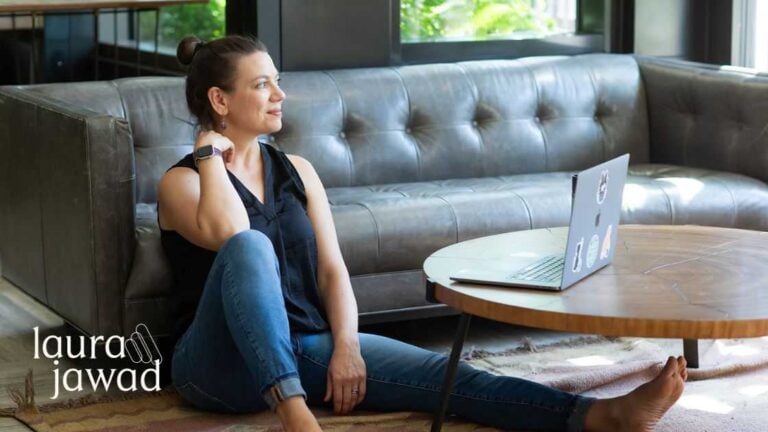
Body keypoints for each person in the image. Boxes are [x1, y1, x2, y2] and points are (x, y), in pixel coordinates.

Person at [157, 35, 688, 432]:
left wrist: (346, 346)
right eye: (261, 84)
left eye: (276, 80)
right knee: (250, 243)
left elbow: (331, 269)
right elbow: (232, 231)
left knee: (446, 374)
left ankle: (597, 417)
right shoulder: (180, 183)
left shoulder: (296, 169)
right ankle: (296, 416)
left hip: (301, 346)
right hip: (217, 367)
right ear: (220, 101)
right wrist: (209, 153)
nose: (281, 94)